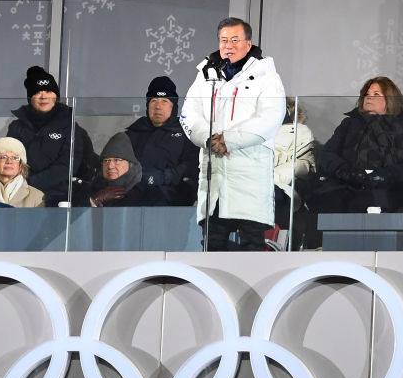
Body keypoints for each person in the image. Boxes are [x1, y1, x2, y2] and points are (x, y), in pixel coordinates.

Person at [180, 17, 286, 251]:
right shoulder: (205, 75)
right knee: (212, 248)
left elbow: (270, 118)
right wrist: (207, 138)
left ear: (248, 44)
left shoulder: (267, 77)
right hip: (214, 177)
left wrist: (229, 141)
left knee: (252, 250)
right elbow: (188, 113)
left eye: (235, 40)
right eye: (224, 40)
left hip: (250, 178)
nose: (229, 45)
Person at [308, 76, 403, 214]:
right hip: (349, 184)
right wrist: (348, 172)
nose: (369, 98)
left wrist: (385, 175)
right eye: (367, 94)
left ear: (390, 99)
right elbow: (327, 155)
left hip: (391, 186)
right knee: (328, 199)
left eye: (376, 94)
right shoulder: (349, 124)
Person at [8, 65, 96, 207]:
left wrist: (30, 183)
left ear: (56, 95)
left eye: (48, 91)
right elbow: (10, 160)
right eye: (37, 92)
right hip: (20, 193)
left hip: (58, 196)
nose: (43, 96)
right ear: (30, 97)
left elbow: (66, 167)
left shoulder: (71, 126)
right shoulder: (16, 127)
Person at [125, 76, 198, 207]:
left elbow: (191, 166)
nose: (158, 106)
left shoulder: (186, 132)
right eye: (154, 100)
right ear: (147, 105)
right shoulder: (134, 131)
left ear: (173, 106)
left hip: (170, 200)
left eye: (164, 101)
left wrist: (163, 177)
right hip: (133, 198)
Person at [272, 97, 316, 247]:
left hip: (284, 190)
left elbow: (302, 165)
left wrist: (269, 179)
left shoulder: (300, 132)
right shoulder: (246, 134)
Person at [87, 132, 147, 207]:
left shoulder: (144, 192)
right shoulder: (90, 189)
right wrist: (94, 201)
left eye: (117, 160)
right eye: (106, 161)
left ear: (130, 164)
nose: (110, 166)